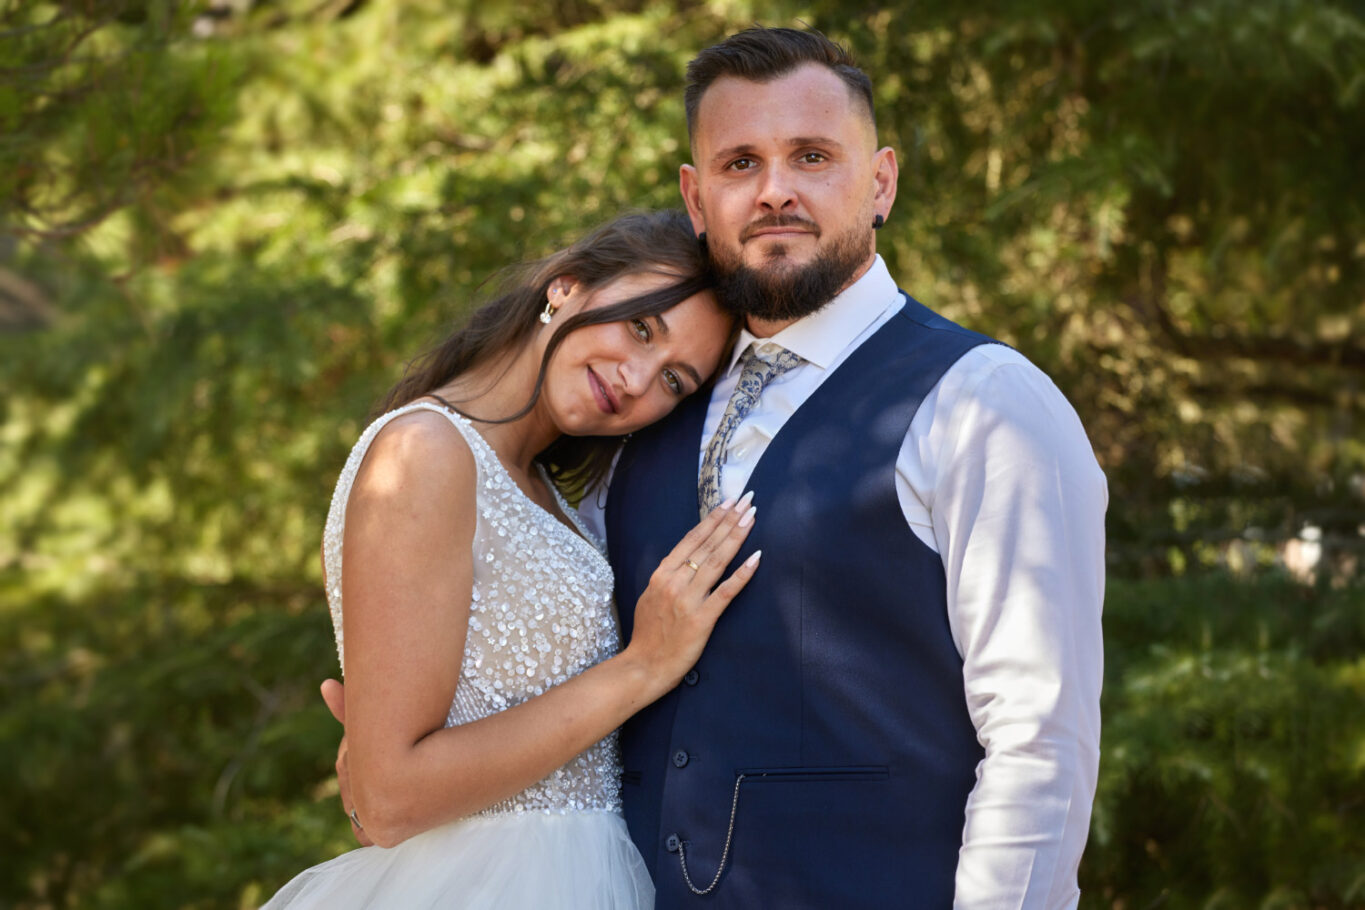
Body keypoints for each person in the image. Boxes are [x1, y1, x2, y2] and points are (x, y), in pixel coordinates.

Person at [589, 27, 1108, 908]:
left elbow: (1039, 740)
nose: (774, 191)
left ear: (881, 183)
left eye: (812, 156)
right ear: (695, 197)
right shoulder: (646, 404)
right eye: (739, 163)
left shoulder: (984, 401)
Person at [263, 210, 763, 910]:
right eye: (641, 328)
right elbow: (391, 799)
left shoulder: (561, 500)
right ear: (565, 286)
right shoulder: (424, 453)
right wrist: (644, 664)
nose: (636, 377)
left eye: (674, 381)